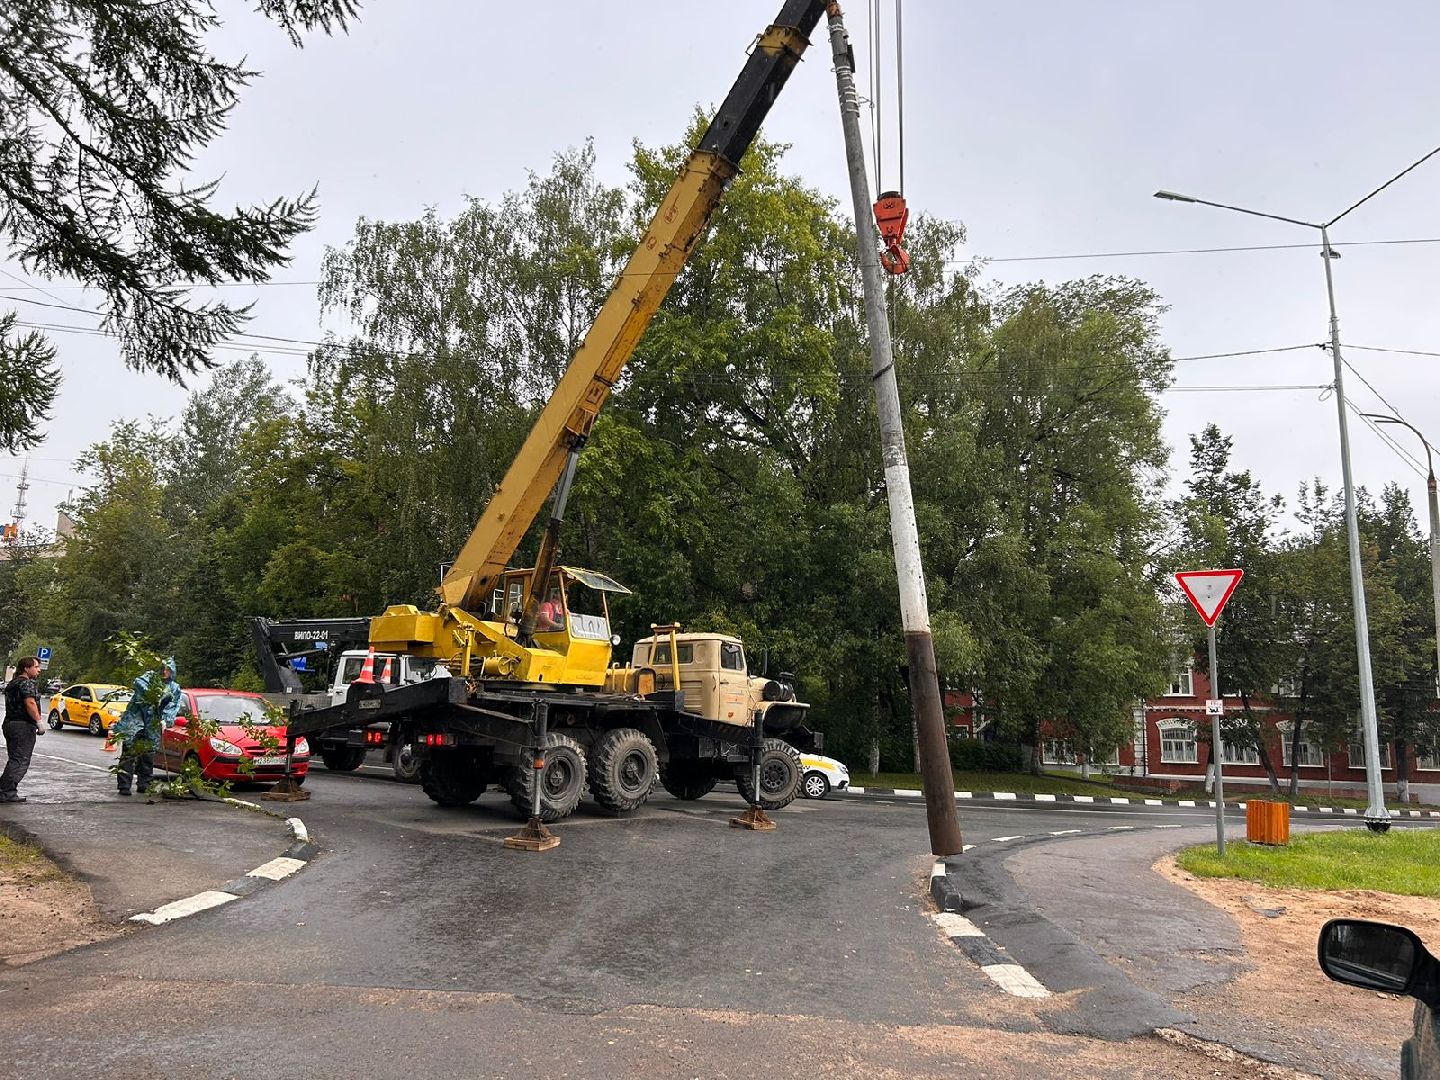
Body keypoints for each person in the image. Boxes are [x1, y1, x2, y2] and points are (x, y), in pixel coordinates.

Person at [111, 657, 182, 796]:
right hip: (135, 721)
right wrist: (154, 695)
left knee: (148, 755)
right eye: (163, 668)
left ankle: (144, 783)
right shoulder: (148, 678)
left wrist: (166, 720)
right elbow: (138, 685)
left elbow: (172, 705)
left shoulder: (174, 688)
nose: (164, 672)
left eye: (168, 670)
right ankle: (124, 785)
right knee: (129, 753)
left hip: (153, 723)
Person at [0, 656, 45, 803]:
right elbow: (30, 702)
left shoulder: (13, 683)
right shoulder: (27, 683)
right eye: (36, 666)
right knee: (20, 760)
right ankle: (6, 792)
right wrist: (39, 722)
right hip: (23, 726)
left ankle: (4, 790)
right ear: (26, 668)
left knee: (14, 759)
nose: (39, 670)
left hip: (10, 724)